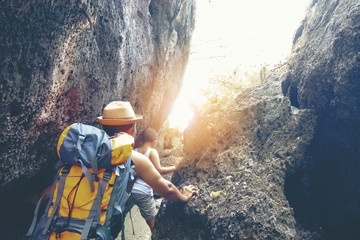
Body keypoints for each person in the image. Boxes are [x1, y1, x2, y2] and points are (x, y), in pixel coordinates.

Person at [97, 101, 198, 237]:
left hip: (71, 223)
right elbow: (166, 189)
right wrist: (184, 196)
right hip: (100, 227)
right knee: (152, 223)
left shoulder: (88, 153)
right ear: (131, 130)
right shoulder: (132, 156)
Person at [127, 128, 179, 230]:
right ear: (155, 141)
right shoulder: (152, 152)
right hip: (143, 191)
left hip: (130, 191)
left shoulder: (135, 151)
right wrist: (174, 167)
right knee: (152, 223)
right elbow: (159, 169)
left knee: (121, 216)